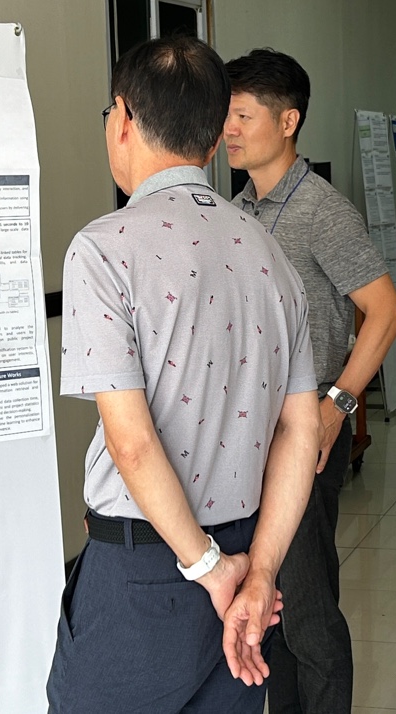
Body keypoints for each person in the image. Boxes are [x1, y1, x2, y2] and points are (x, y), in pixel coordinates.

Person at [47, 36, 322, 713]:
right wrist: (258, 573)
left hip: (148, 571)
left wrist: (207, 568)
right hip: (246, 568)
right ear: (214, 137)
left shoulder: (103, 249)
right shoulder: (270, 253)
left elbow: (132, 443)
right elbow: (301, 431)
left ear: (123, 118)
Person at [226, 48, 396, 713]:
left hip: (303, 435)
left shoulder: (321, 210)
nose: (228, 130)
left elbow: (386, 313)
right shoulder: (238, 209)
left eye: (243, 115)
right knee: (269, 612)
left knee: (307, 615)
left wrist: (336, 406)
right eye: (225, 116)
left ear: (288, 121)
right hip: (252, 437)